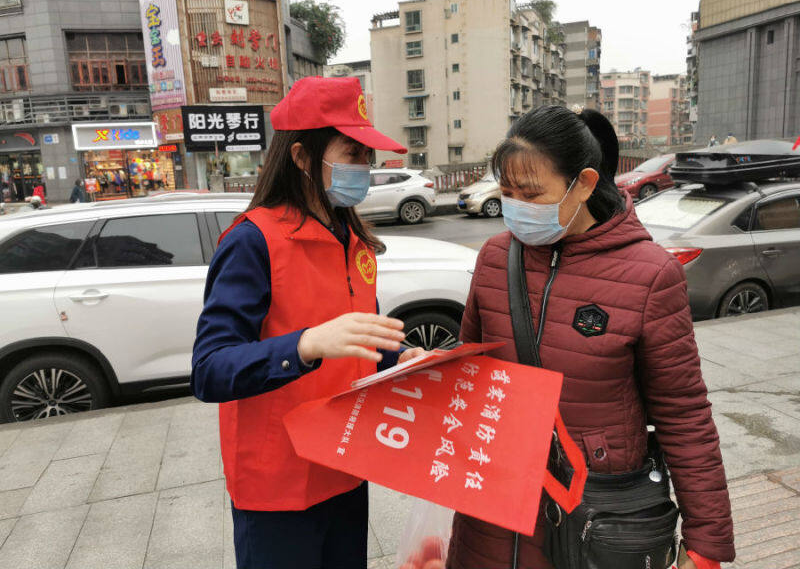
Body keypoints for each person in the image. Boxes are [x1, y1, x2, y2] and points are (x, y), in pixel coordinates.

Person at [446, 106, 734, 569]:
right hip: (495, 500)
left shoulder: (649, 275)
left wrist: (707, 541)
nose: (516, 206)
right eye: (507, 192)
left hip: (593, 510)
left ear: (582, 183)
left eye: (532, 193)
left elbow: (684, 412)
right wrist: (425, 369)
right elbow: (473, 369)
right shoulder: (496, 257)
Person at [191, 76, 427, 569]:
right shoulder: (253, 242)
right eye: (352, 154)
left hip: (344, 465)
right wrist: (303, 345)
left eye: (367, 156)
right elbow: (209, 369)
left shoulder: (353, 239)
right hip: (277, 483)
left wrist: (400, 360)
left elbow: (360, 341)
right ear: (301, 157)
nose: (364, 168)